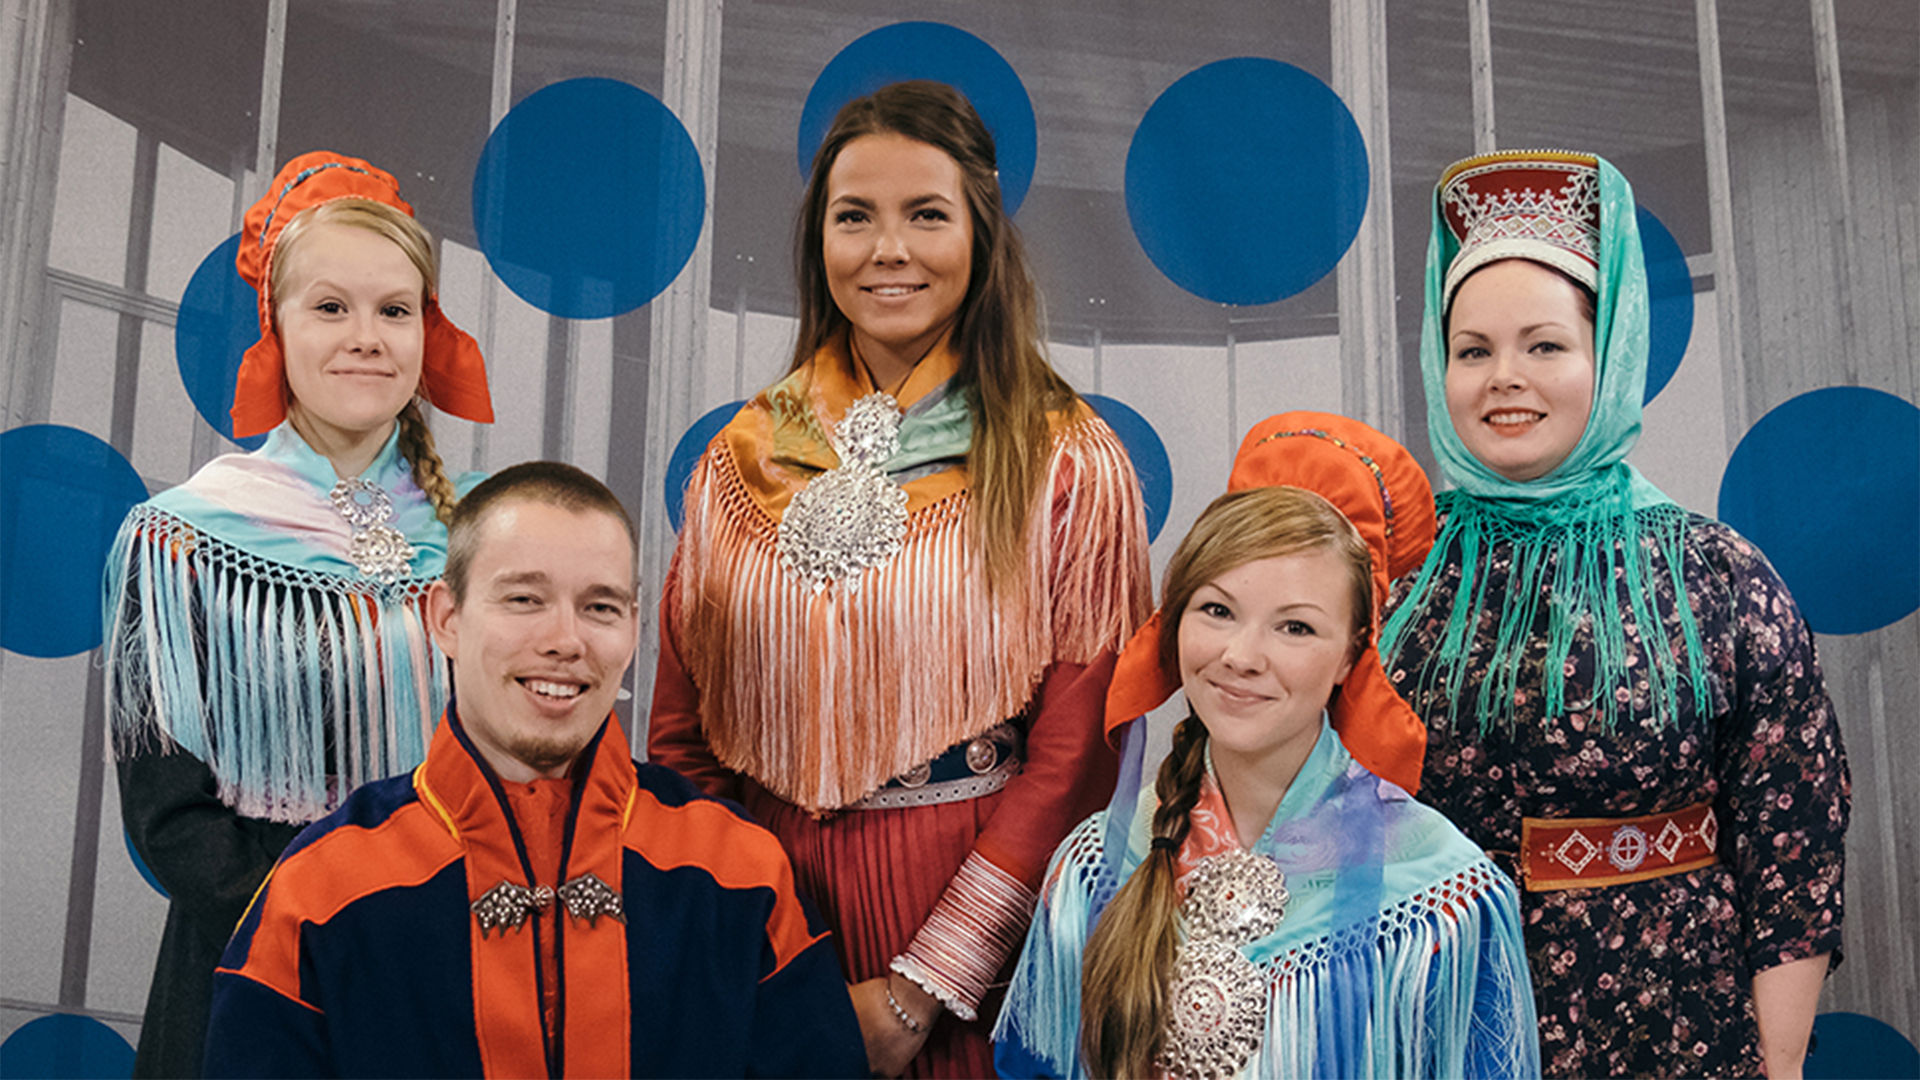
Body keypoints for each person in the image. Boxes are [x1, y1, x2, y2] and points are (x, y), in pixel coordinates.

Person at [647, 80, 1151, 1077]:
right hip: (772, 917)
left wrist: (930, 982)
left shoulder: (1066, 459)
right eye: (854, 217)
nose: (888, 249)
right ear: (817, 240)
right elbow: (682, 740)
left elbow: (1079, 756)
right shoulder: (740, 459)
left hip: (978, 931)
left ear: (982, 233)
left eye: (926, 214)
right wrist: (749, 946)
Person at [1381, 149, 1850, 1078]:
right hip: (1438, 1025)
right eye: (1473, 350)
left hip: (1672, 1035)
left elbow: (1791, 840)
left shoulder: (1717, 577)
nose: (1504, 376)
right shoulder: (1396, 579)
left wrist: (1780, 1064)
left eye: (1544, 346)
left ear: (1611, 352)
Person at [202, 462, 867, 1078]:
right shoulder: (323, 885)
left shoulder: (738, 866)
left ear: (634, 629)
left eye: (600, 607)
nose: (565, 641)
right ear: (447, 618)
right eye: (524, 599)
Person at [995, 412, 1540, 1080]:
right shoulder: (1096, 867)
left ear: (1352, 655)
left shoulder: (1439, 895)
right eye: (1217, 611)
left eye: (1295, 627)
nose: (1242, 656)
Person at [103, 150, 494, 1078]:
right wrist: (330, 933)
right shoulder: (184, 538)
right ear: (274, 327)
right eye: (330, 307)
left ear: (427, 331)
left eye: (394, 310)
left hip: (455, 956)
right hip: (253, 963)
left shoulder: (488, 533)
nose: (366, 337)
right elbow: (169, 813)